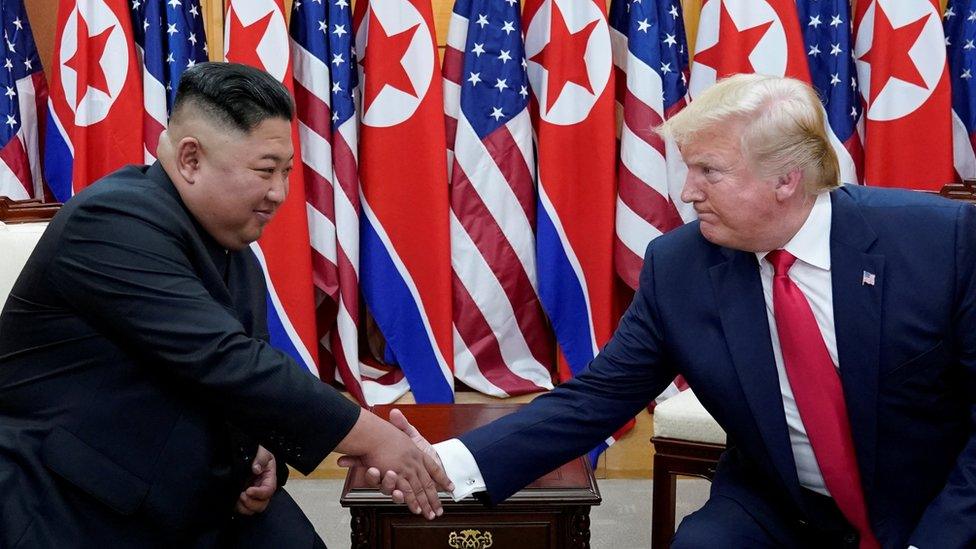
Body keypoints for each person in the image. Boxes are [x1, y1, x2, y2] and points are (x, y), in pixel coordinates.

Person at [371, 74, 976, 548]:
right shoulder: (680, 266)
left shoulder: (941, 244)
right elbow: (595, 400)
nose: (687, 191)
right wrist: (446, 462)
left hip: (935, 501)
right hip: (784, 503)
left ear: (787, 179)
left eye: (709, 171)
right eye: (688, 169)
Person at [0, 62, 451, 548]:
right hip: (77, 502)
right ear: (191, 159)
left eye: (287, 173)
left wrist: (260, 451)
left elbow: (237, 386)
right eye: (265, 171)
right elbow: (224, 360)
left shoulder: (234, 252)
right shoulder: (110, 220)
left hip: (208, 495)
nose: (279, 193)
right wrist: (373, 437)